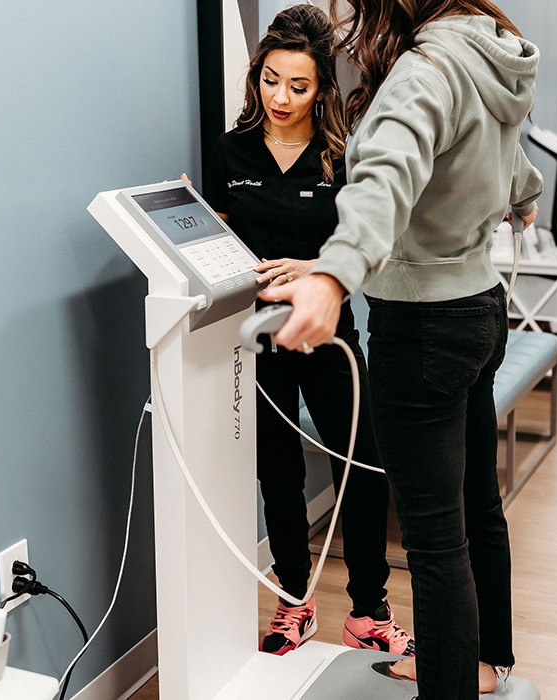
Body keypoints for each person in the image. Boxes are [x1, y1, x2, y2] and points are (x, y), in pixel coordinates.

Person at [262, 1, 542, 697]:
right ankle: (481, 663)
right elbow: (504, 154)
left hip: (421, 324)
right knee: (479, 505)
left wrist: (331, 274)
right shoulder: (489, 46)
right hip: (480, 307)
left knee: (435, 538)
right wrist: (525, 194)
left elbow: (385, 176)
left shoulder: (425, 70)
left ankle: (451, 682)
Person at [201, 4, 414, 659]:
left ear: (321, 88)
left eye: (298, 86)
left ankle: (368, 611)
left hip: (331, 336)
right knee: (279, 475)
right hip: (261, 340)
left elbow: (374, 239)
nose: (281, 98)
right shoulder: (231, 150)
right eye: (270, 81)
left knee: (365, 466)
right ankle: (295, 602)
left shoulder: (343, 154)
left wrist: (319, 266)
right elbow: (221, 232)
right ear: (256, 76)